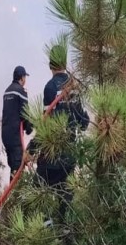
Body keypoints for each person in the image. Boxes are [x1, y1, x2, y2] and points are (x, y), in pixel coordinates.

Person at [27, 45, 89, 227]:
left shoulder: (49, 88)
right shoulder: (74, 87)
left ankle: (46, 231)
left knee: (38, 192)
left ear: (50, 65)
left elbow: (47, 125)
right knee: (66, 201)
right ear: (64, 62)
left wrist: (30, 150)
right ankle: (65, 235)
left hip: (51, 159)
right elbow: (83, 123)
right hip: (70, 157)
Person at [1, 65, 33, 180]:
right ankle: (15, 195)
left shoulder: (7, 91)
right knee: (18, 169)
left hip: (5, 136)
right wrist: (29, 128)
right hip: (15, 137)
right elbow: (25, 112)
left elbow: (10, 113)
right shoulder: (21, 91)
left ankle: (11, 194)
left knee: (13, 166)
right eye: (25, 77)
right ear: (22, 78)